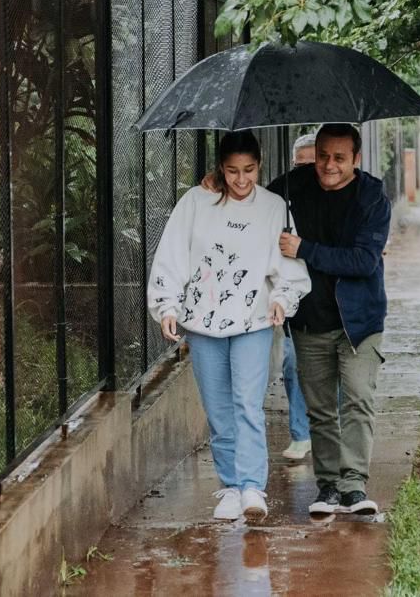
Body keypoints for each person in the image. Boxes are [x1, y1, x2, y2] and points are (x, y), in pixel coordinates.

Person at [147, 131, 311, 522]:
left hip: (253, 321)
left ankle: (253, 486)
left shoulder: (274, 206)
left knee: (247, 405)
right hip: (203, 325)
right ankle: (231, 486)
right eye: (233, 171)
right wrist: (166, 305)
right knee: (219, 409)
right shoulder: (195, 202)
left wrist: (280, 298)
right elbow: (172, 254)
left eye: (249, 170)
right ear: (220, 169)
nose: (241, 180)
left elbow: (287, 267)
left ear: (259, 166)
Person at [272, 123, 390, 517]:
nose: (328, 165)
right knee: (320, 409)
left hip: (359, 322)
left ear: (356, 159)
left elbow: (363, 261)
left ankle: (354, 486)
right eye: (322, 155)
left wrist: (305, 249)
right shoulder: (292, 186)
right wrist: (216, 183)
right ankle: (328, 488)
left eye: (339, 158)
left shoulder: (372, 197)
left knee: (357, 400)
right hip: (310, 320)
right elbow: (249, 199)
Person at [279, 133, 316, 460]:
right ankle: (300, 435)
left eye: (312, 164)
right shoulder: (280, 202)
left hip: (331, 300)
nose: (305, 171)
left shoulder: (337, 199)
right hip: (294, 300)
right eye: (299, 164)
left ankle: (329, 430)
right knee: (292, 363)